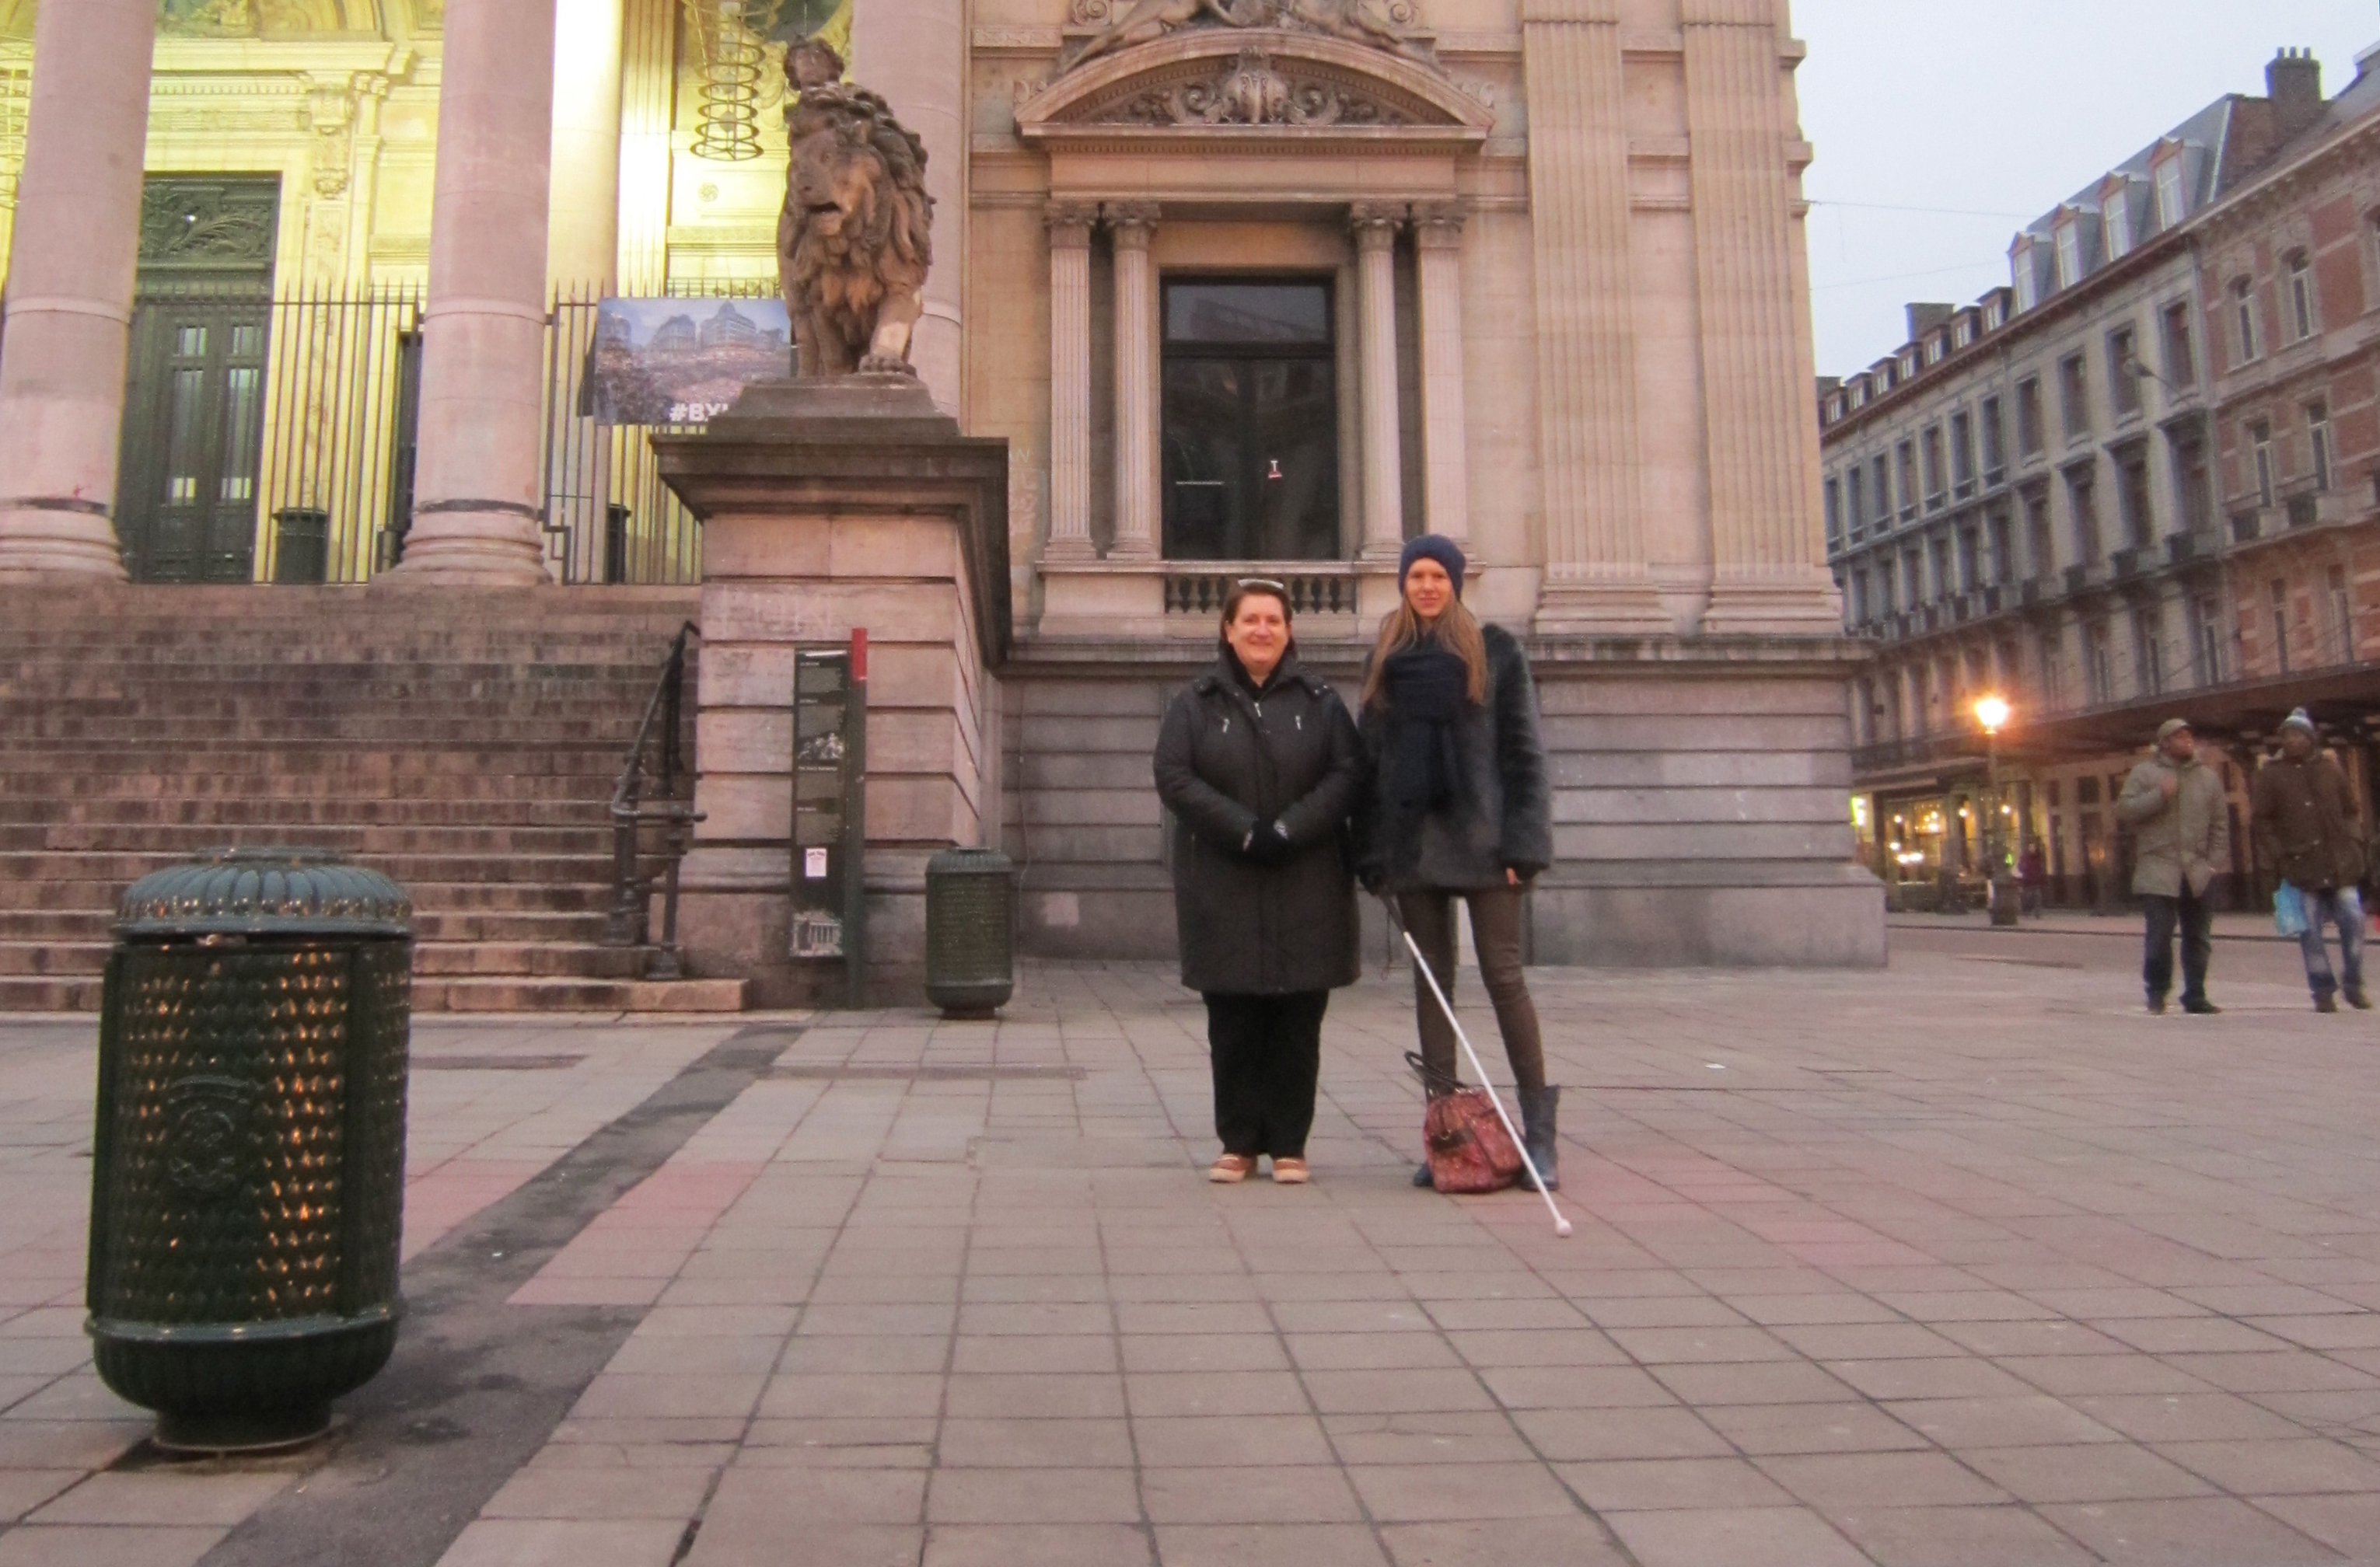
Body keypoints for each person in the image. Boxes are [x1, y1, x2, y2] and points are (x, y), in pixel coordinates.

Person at [1354, 536, 1560, 1189]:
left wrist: (1524, 845)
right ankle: (1445, 1135)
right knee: (1433, 990)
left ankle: (1540, 1139)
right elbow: (1371, 763)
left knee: (1504, 979)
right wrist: (1373, 850)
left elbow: (1524, 756)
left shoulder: (1496, 652)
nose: (1426, 586)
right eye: (1415, 575)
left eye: (1436, 574)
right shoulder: (1387, 655)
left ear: (1456, 580)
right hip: (1414, 847)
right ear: (1402, 583)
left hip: (1488, 845)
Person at [1154, 579, 1365, 1184]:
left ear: (1289, 630)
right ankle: (1239, 1142)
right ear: (1227, 629)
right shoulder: (1193, 703)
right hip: (1223, 883)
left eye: (1273, 620)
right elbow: (1173, 775)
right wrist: (1245, 829)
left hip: (1307, 883)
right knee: (1234, 1023)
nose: (1262, 630)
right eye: (1249, 620)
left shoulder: (1322, 702)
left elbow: (1347, 774)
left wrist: (1291, 829)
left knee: (1299, 1021)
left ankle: (1290, 1144)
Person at [2251, 708, 2368, 1013]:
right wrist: (2279, 855)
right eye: (2288, 735)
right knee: (2310, 931)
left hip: (2340, 860)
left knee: (2354, 920)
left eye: (2299, 734)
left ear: (2310, 737)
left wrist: (2353, 840)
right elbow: (2262, 821)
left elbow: (2350, 808)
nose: (2293, 740)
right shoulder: (2271, 774)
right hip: (2300, 863)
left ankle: (2354, 983)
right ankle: (2323, 989)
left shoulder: (2330, 768)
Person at [2116, 717, 2231, 1015]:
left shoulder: (2207, 778)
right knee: (2159, 936)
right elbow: (2125, 810)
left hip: (2197, 869)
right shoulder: (2144, 774)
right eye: (2179, 737)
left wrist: (2214, 863)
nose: (2187, 741)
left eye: (2189, 736)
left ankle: (2195, 994)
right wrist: (2159, 796)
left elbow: (2220, 824)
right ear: (2165, 742)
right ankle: (2156, 992)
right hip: (2158, 868)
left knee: (2198, 937)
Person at [2016, 839, 2048, 918]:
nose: (2032, 848)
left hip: (2036, 881)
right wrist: (2025, 868)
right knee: (2028, 898)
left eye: (2034, 847)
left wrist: (2042, 877)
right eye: (2031, 847)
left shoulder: (2038, 857)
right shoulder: (2025, 857)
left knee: (2038, 898)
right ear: (2028, 848)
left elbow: (2041, 868)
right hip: (2028, 881)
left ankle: (2038, 914)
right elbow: (2020, 867)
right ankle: (2027, 911)